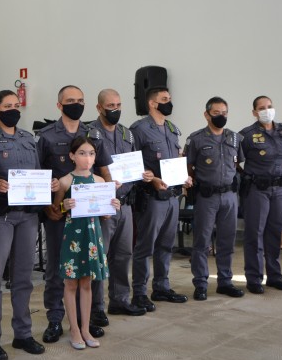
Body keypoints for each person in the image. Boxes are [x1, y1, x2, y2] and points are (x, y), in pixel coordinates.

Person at [0, 89, 55, 360]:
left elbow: (35, 173)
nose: (13, 109)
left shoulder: (28, 138)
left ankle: (22, 334)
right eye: (7, 105)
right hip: (0, 215)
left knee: (23, 279)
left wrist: (48, 185)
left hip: (28, 215)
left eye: (16, 104)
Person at [36, 85, 111, 343]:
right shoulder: (46, 136)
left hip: (89, 216)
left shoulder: (93, 134)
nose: (76, 104)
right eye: (70, 100)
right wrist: (50, 208)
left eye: (80, 100)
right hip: (60, 215)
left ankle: (83, 322)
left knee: (88, 270)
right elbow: (39, 175)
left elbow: (104, 168)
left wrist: (109, 199)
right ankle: (56, 319)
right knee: (59, 269)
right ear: (59, 105)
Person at [130, 87, 191, 312]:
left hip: (172, 196)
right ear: (152, 104)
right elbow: (133, 163)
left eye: (170, 99)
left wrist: (184, 176)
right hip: (152, 196)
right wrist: (152, 178)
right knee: (145, 246)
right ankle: (138, 292)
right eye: (164, 100)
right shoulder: (139, 129)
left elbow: (175, 160)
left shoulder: (172, 129)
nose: (169, 103)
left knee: (166, 245)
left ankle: (161, 287)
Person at [89, 89, 148, 318]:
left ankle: (120, 299)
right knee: (99, 256)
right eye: (110, 105)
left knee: (123, 254)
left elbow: (134, 164)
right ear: (99, 108)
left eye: (119, 105)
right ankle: (96, 307)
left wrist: (144, 174)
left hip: (125, 203)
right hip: (103, 204)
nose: (115, 109)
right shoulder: (90, 134)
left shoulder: (127, 134)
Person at [54, 137, 118, 349]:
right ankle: (73, 328)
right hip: (73, 235)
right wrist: (64, 205)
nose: (88, 158)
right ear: (72, 156)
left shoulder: (100, 182)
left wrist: (112, 206)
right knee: (71, 282)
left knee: (87, 283)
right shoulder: (65, 181)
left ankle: (85, 328)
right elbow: (56, 210)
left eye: (91, 153)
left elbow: (105, 216)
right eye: (82, 153)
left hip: (93, 235)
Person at [183, 97, 245, 301]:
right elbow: (188, 166)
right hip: (206, 196)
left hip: (229, 196)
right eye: (217, 113)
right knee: (202, 241)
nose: (221, 116)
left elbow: (239, 165)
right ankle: (200, 283)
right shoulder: (196, 139)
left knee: (227, 241)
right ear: (207, 114)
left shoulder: (235, 138)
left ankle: (225, 282)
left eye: (224, 112)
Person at [239, 95, 282, 293]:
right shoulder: (246, 135)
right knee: (255, 233)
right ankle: (254, 278)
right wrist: (248, 177)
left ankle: (275, 276)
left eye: (269, 106)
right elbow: (235, 160)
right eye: (262, 107)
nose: (267, 110)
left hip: (280, 188)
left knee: (275, 232)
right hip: (257, 189)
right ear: (254, 112)